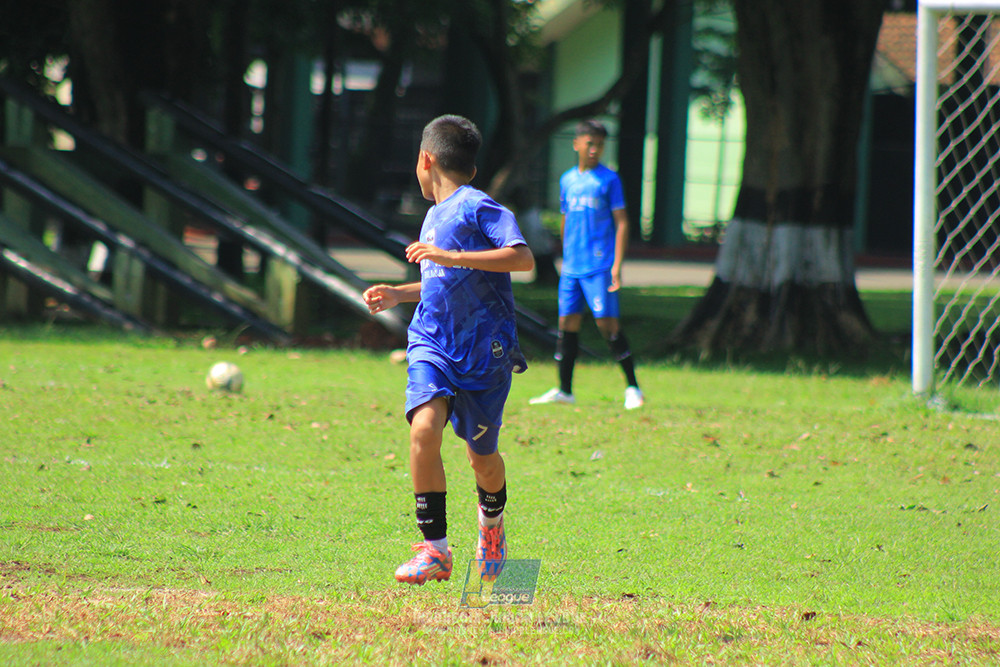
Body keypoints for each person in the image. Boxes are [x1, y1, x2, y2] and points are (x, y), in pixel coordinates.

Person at [363, 115, 534, 586]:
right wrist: (400, 293)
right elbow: (443, 281)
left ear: (425, 159)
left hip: (485, 353)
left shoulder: (478, 206)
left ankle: (492, 526)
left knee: (483, 459)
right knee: (423, 428)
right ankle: (434, 550)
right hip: (433, 342)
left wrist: (452, 256)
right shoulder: (434, 214)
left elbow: (523, 258)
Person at [530, 119, 644, 410]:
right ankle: (564, 390)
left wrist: (617, 263)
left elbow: (622, 222)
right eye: (590, 143)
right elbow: (567, 218)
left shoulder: (609, 180)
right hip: (572, 267)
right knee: (567, 323)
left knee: (607, 324)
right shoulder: (568, 179)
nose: (594, 150)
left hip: (599, 265)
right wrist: (564, 255)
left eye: (600, 145)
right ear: (577, 143)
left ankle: (633, 388)